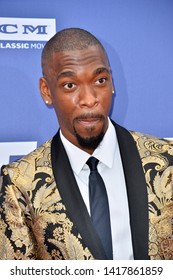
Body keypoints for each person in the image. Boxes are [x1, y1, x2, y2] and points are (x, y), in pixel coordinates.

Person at [0, 28, 173, 260]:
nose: (90, 99)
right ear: (46, 91)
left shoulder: (166, 162)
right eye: (70, 85)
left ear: (112, 82)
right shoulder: (19, 183)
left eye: (100, 80)